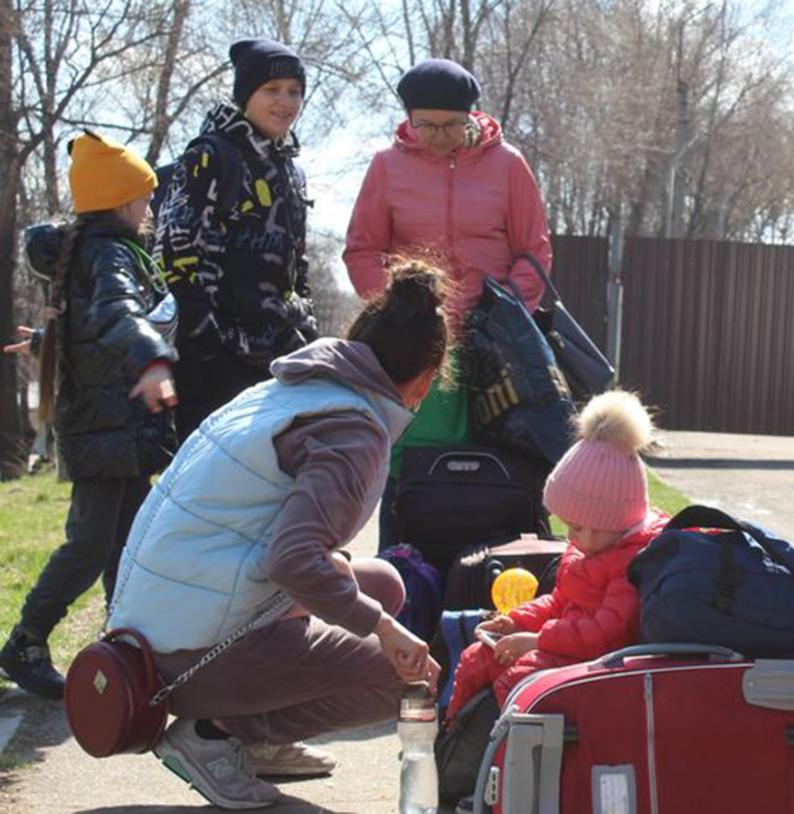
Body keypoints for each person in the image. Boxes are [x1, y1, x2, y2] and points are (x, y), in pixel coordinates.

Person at [108, 260, 447, 809]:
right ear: (426, 379)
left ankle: (250, 734)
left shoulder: (292, 390)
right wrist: (384, 630)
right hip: (182, 655)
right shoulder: (354, 432)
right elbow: (291, 560)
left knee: (382, 582)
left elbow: (272, 537)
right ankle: (215, 737)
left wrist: (361, 601)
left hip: (152, 625)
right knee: (410, 682)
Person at [343, 57, 552, 549]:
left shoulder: (508, 165)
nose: (438, 135)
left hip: (496, 346)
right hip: (418, 344)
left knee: (496, 464)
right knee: (411, 468)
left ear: (471, 118)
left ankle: (489, 578)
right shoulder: (386, 166)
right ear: (408, 119)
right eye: (426, 125)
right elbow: (363, 250)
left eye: (451, 125)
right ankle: (403, 572)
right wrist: (397, 309)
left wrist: (504, 310)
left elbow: (534, 250)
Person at [0, 131, 177, 700]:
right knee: (90, 545)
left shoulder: (96, 250)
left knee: (126, 545)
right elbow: (117, 311)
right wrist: (151, 358)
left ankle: (124, 648)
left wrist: (47, 341)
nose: (149, 208)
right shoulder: (110, 254)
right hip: (106, 430)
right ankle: (26, 641)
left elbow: (87, 331)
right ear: (124, 202)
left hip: (115, 428)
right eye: (144, 197)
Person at [445, 390, 670, 722]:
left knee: (517, 681)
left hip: (591, 663)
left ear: (608, 520)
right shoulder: (587, 549)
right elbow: (559, 600)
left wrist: (537, 640)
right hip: (562, 647)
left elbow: (605, 635)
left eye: (577, 526)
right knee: (476, 658)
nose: (570, 536)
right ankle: (453, 743)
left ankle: (516, 767)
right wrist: (517, 620)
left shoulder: (630, 565)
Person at [153, 37, 318, 443]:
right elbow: (175, 250)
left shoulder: (290, 171)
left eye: (294, 92)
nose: (285, 102)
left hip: (277, 354)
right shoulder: (212, 155)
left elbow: (296, 263)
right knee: (211, 490)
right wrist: (203, 337)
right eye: (272, 90)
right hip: (216, 359)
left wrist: (305, 325)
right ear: (246, 94)